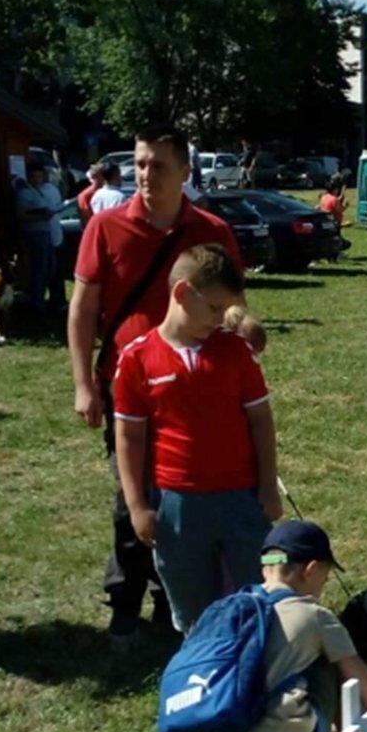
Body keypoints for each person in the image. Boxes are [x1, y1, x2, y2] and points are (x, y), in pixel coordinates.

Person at [69, 123, 246, 645]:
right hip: (130, 389)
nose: (145, 174)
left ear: (186, 172)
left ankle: (177, 602)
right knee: (133, 500)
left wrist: (241, 327)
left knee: (186, 498)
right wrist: (84, 383)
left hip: (197, 391)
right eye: (140, 164)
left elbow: (233, 303)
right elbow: (82, 311)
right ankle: (124, 601)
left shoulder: (211, 230)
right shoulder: (105, 227)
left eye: (158, 165)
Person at [112, 244, 279, 634]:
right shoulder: (137, 358)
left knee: (258, 599)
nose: (223, 319)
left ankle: (260, 678)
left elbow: (261, 421)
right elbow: (129, 437)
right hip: (177, 503)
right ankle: (205, 677)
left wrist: (268, 486)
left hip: (242, 497)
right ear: (182, 294)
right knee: (193, 611)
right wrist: (137, 505)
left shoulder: (236, 351)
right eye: (216, 308)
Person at [215, 520, 367, 732]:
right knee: (328, 663)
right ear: (310, 570)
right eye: (326, 574)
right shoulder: (317, 616)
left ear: (266, 568)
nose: (325, 583)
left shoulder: (227, 609)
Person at [15, 163, 57, 314]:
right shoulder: (24, 193)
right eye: (34, 177)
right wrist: (41, 215)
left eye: (39, 176)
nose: (37, 179)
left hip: (45, 232)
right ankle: (37, 304)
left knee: (50, 268)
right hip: (34, 234)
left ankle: (38, 298)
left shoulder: (39, 191)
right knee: (39, 269)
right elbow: (20, 215)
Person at [38, 167, 68, 312]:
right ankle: (58, 300)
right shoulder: (52, 188)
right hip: (55, 233)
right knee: (56, 271)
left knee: (51, 270)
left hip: (50, 234)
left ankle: (54, 301)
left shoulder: (45, 190)